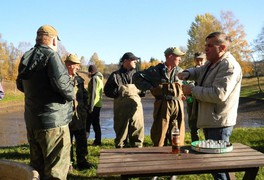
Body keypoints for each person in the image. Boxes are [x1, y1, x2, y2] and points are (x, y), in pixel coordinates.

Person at [178, 32, 242, 180]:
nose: (206, 49)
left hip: (219, 123)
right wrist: (187, 73)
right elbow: (199, 70)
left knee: (218, 165)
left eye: (210, 46)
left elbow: (218, 94)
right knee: (217, 164)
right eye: (205, 45)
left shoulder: (229, 66)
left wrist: (192, 90)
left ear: (222, 47)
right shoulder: (213, 62)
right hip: (211, 119)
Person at [16, 25, 73, 179]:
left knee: (37, 170)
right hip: (54, 124)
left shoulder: (26, 56)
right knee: (56, 171)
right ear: (53, 40)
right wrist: (72, 91)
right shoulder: (52, 56)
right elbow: (64, 87)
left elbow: (20, 85)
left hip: (33, 122)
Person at [133, 47, 185, 147]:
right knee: (160, 133)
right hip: (162, 105)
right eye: (178, 56)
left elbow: (189, 83)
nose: (180, 59)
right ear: (170, 56)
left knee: (177, 134)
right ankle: (159, 155)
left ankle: (177, 157)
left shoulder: (181, 71)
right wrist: (151, 87)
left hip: (178, 105)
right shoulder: (155, 70)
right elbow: (136, 77)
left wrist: (184, 92)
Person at [104, 52, 144, 148]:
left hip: (136, 110)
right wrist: (119, 91)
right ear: (125, 61)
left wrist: (140, 89)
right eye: (133, 59)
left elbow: (144, 92)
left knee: (137, 134)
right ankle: (120, 157)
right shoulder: (115, 75)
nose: (135, 61)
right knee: (121, 137)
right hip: (121, 111)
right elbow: (107, 91)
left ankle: (137, 158)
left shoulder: (138, 75)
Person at [65, 54, 93, 170]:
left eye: (78, 65)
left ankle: (82, 161)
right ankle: (69, 163)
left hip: (80, 116)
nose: (78, 67)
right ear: (68, 65)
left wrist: (86, 109)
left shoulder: (80, 79)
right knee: (67, 142)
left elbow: (85, 95)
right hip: (67, 117)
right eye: (76, 65)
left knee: (81, 140)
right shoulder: (62, 79)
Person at [185, 52, 206, 142]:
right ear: (194, 61)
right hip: (192, 103)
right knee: (193, 126)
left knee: (207, 126)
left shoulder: (209, 73)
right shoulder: (190, 72)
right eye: (197, 60)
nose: (199, 62)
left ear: (205, 60)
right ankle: (195, 144)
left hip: (205, 102)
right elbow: (187, 86)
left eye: (201, 60)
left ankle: (208, 144)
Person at [86, 64, 104, 146]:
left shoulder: (94, 79)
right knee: (96, 123)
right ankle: (98, 141)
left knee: (87, 124)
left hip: (92, 105)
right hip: (98, 104)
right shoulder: (99, 78)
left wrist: (90, 106)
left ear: (91, 72)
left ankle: (83, 141)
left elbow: (93, 93)